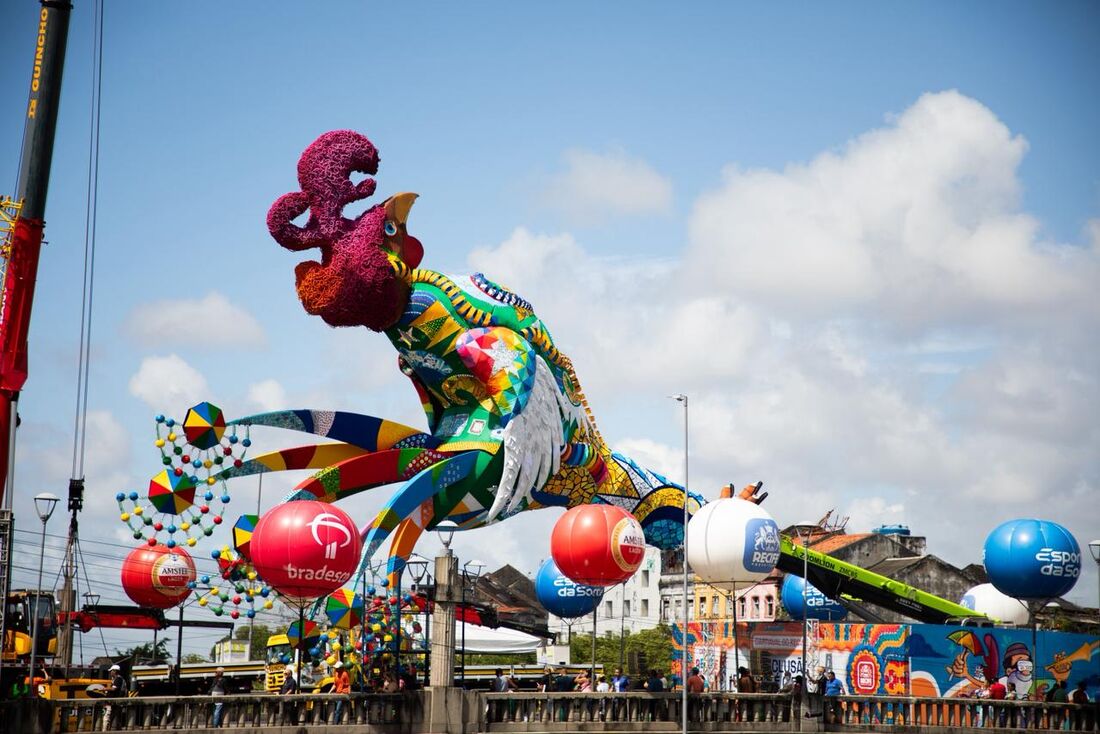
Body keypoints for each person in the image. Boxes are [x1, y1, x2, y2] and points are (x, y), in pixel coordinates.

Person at [103, 664, 127, 731]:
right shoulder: (118, 679)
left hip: (115, 702)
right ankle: (116, 729)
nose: (110, 672)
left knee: (107, 717)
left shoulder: (118, 679)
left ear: (115, 671)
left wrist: (104, 689)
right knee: (115, 717)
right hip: (116, 702)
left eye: (111, 671)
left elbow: (114, 689)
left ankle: (105, 731)